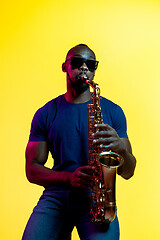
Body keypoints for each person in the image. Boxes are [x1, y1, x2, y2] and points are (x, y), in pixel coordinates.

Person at [22, 44, 136, 240]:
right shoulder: (45, 113)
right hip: (56, 197)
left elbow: (129, 171)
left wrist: (122, 150)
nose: (84, 67)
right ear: (64, 66)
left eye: (91, 64)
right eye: (77, 62)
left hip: (98, 200)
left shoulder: (114, 111)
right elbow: (32, 170)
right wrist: (68, 178)